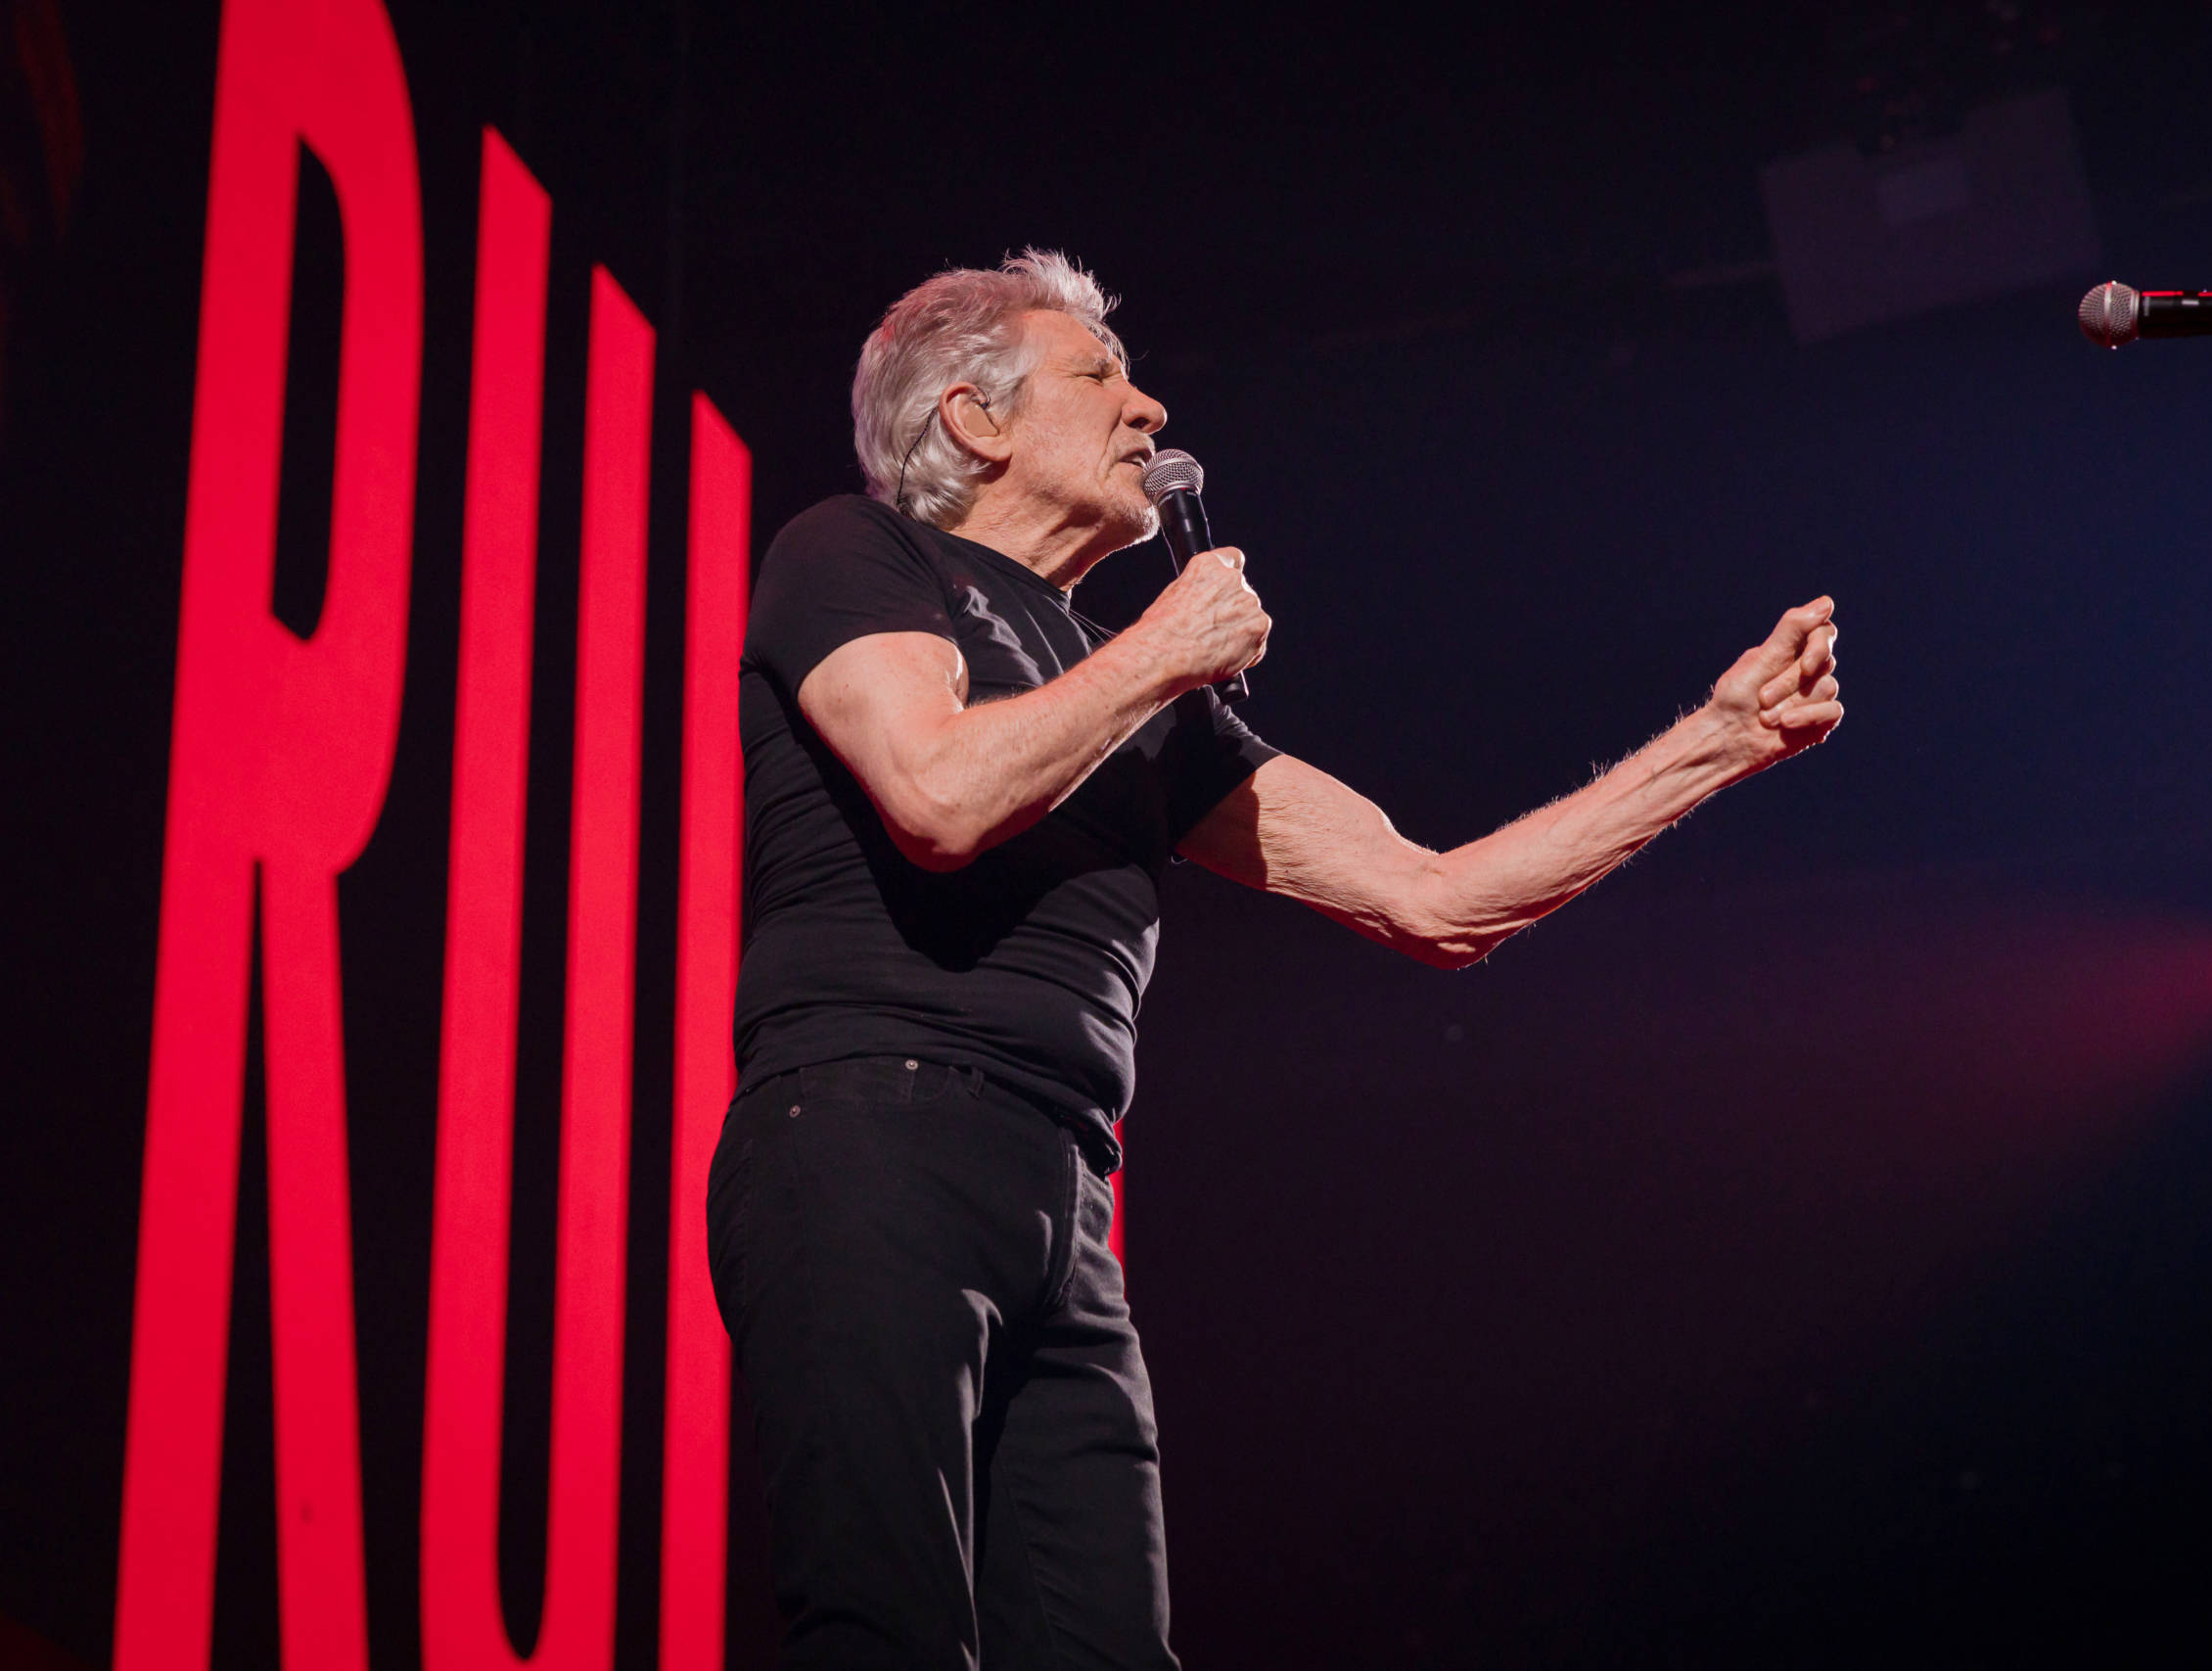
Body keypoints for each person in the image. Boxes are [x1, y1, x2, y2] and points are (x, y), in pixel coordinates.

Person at [708, 250, 1842, 1670]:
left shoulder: (1139, 690)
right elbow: (936, 799)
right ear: (973, 421)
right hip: (877, 1128)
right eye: (1100, 375)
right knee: (884, 1630)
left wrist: (1717, 743)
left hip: (1068, 1193)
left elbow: (1437, 902)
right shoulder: (859, 554)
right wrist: (1158, 657)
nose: (1151, 407)